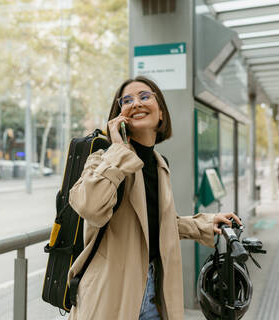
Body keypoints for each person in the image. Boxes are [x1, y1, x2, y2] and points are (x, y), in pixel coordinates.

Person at [67, 76, 242, 320]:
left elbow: (155, 225)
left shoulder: (160, 164)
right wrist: (117, 149)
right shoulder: (103, 158)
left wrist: (204, 223)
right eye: (127, 100)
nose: (136, 103)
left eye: (145, 96)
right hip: (111, 296)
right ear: (119, 117)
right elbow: (90, 207)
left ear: (161, 113)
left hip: (152, 296)